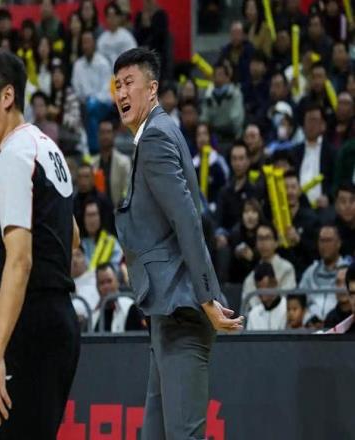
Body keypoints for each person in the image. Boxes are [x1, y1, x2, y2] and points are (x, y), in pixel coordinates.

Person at [113, 47, 243, 440]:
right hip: (167, 313)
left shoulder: (155, 136)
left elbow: (188, 219)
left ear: (152, 89)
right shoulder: (161, 132)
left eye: (129, 82)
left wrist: (206, 298)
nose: (121, 92)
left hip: (183, 310)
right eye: (117, 85)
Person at [0, 49, 80, 438]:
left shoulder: (14, 156)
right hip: (58, 321)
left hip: (31, 327)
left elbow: (20, 261)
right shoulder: (46, 148)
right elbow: (72, 235)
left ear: (7, 96)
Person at [242, 223, 296, 311]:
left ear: (276, 242)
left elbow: (289, 300)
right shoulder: (250, 278)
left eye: (267, 238)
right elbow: (247, 308)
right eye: (260, 238)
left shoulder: (287, 269)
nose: (263, 243)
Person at [300, 225, 345, 321]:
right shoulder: (309, 272)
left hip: (339, 324)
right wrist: (308, 319)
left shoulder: (348, 271)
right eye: (322, 241)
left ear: (339, 243)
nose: (324, 245)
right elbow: (299, 302)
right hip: (311, 327)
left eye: (328, 240)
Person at [92, 262, 145, 332]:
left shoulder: (130, 307)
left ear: (117, 282)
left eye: (109, 281)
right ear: (97, 287)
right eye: (102, 283)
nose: (106, 286)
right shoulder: (93, 314)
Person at [91, 119, 131, 208]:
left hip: (118, 210)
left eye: (108, 132)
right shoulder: (92, 163)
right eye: (102, 132)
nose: (105, 136)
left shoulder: (124, 162)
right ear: (98, 135)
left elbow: (127, 189)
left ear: (114, 134)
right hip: (97, 212)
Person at [246, 262, 287, 331]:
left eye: (265, 287)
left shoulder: (287, 310)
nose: (261, 293)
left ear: (275, 283)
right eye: (259, 288)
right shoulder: (253, 314)